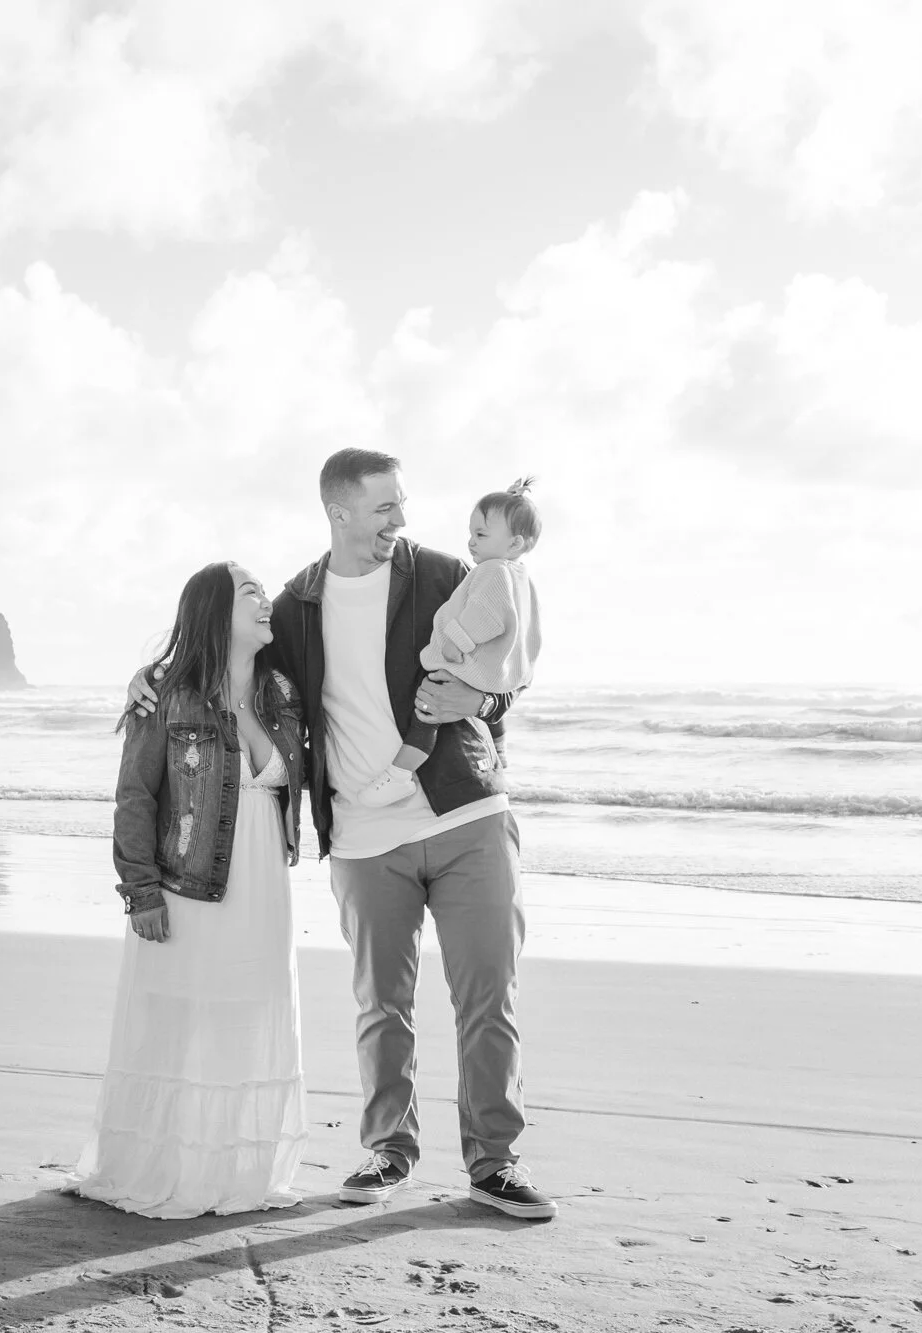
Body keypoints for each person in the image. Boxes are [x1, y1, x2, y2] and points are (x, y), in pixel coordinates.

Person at [129, 448, 557, 1222]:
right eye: (385, 506)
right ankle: (390, 1150)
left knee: (488, 997)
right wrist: (153, 679)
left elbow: (508, 663)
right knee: (381, 1005)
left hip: (467, 816)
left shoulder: (442, 575)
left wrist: (482, 701)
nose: (401, 519)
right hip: (362, 837)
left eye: (402, 503)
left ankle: (495, 1163)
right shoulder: (295, 607)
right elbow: (233, 669)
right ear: (340, 513)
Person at [67, 561, 310, 1219]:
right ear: (214, 611)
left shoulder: (283, 692)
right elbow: (136, 794)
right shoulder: (168, 696)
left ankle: (234, 1171)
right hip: (187, 890)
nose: (266, 602)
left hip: (264, 890)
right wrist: (140, 890)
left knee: (248, 1016)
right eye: (250, 593)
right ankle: (165, 1166)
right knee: (175, 1024)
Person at [358, 477, 543, 808]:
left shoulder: (493, 572)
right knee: (487, 717)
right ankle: (499, 750)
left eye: (481, 535)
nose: (471, 542)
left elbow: (486, 617)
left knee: (426, 713)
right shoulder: (519, 575)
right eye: (471, 534)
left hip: (463, 661)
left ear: (514, 544)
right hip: (496, 671)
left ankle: (399, 774)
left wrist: (455, 642)